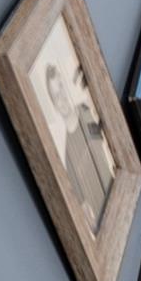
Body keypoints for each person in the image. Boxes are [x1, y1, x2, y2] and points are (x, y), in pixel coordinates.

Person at [46, 63, 114, 223]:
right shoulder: (67, 156)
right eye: (56, 96)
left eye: (61, 87)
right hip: (105, 217)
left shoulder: (88, 110)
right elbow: (85, 213)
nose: (61, 98)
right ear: (53, 105)